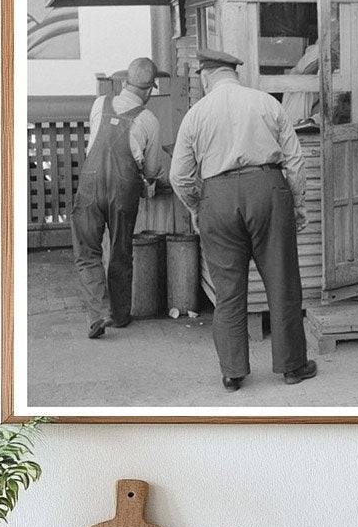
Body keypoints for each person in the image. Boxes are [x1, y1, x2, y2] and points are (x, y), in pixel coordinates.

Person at [169, 49, 316, 393]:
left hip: (216, 198)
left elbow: (180, 175)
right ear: (235, 73)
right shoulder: (266, 103)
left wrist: (196, 206)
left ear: (206, 77)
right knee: (282, 283)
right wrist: (298, 204)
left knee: (228, 290)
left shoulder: (196, 114)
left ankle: (233, 372)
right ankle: (292, 366)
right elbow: (294, 161)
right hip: (267, 189)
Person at [71, 56, 169, 339]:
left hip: (89, 184)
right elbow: (151, 170)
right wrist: (151, 179)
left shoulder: (99, 103)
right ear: (151, 89)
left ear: (125, 82)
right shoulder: (149, 119)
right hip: (123, 188)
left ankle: (96, 315)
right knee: (120, 251)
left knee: (88, 251)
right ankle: (120, 314)